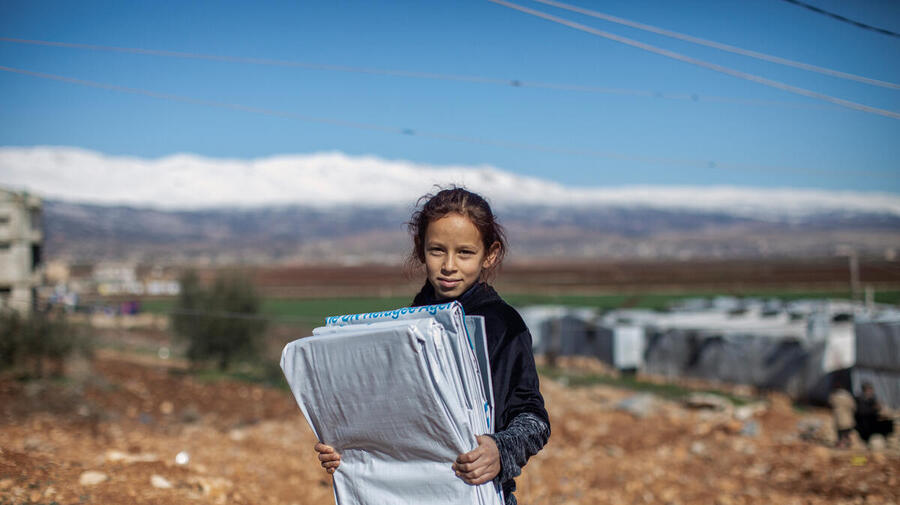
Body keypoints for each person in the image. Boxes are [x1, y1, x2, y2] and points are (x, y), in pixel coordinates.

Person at [314, 187, 550, 505]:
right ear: (420, 248)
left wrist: (499, 450)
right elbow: (387, 412)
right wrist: (349, 449)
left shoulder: (503, 325)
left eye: (465, 253)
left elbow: (533, 418)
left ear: (490, 254)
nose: (449, 265)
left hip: (478, 492)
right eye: (437, 250)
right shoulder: (404, 324)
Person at [828, 382, 855, 449]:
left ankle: (842, 443)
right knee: (846, 431)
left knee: (840, 431)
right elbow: (853, 406)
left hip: (838, 416)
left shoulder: (834, 395)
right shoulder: (848, 395)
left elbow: (830, 403)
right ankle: (846, 443)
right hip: (847, 416)